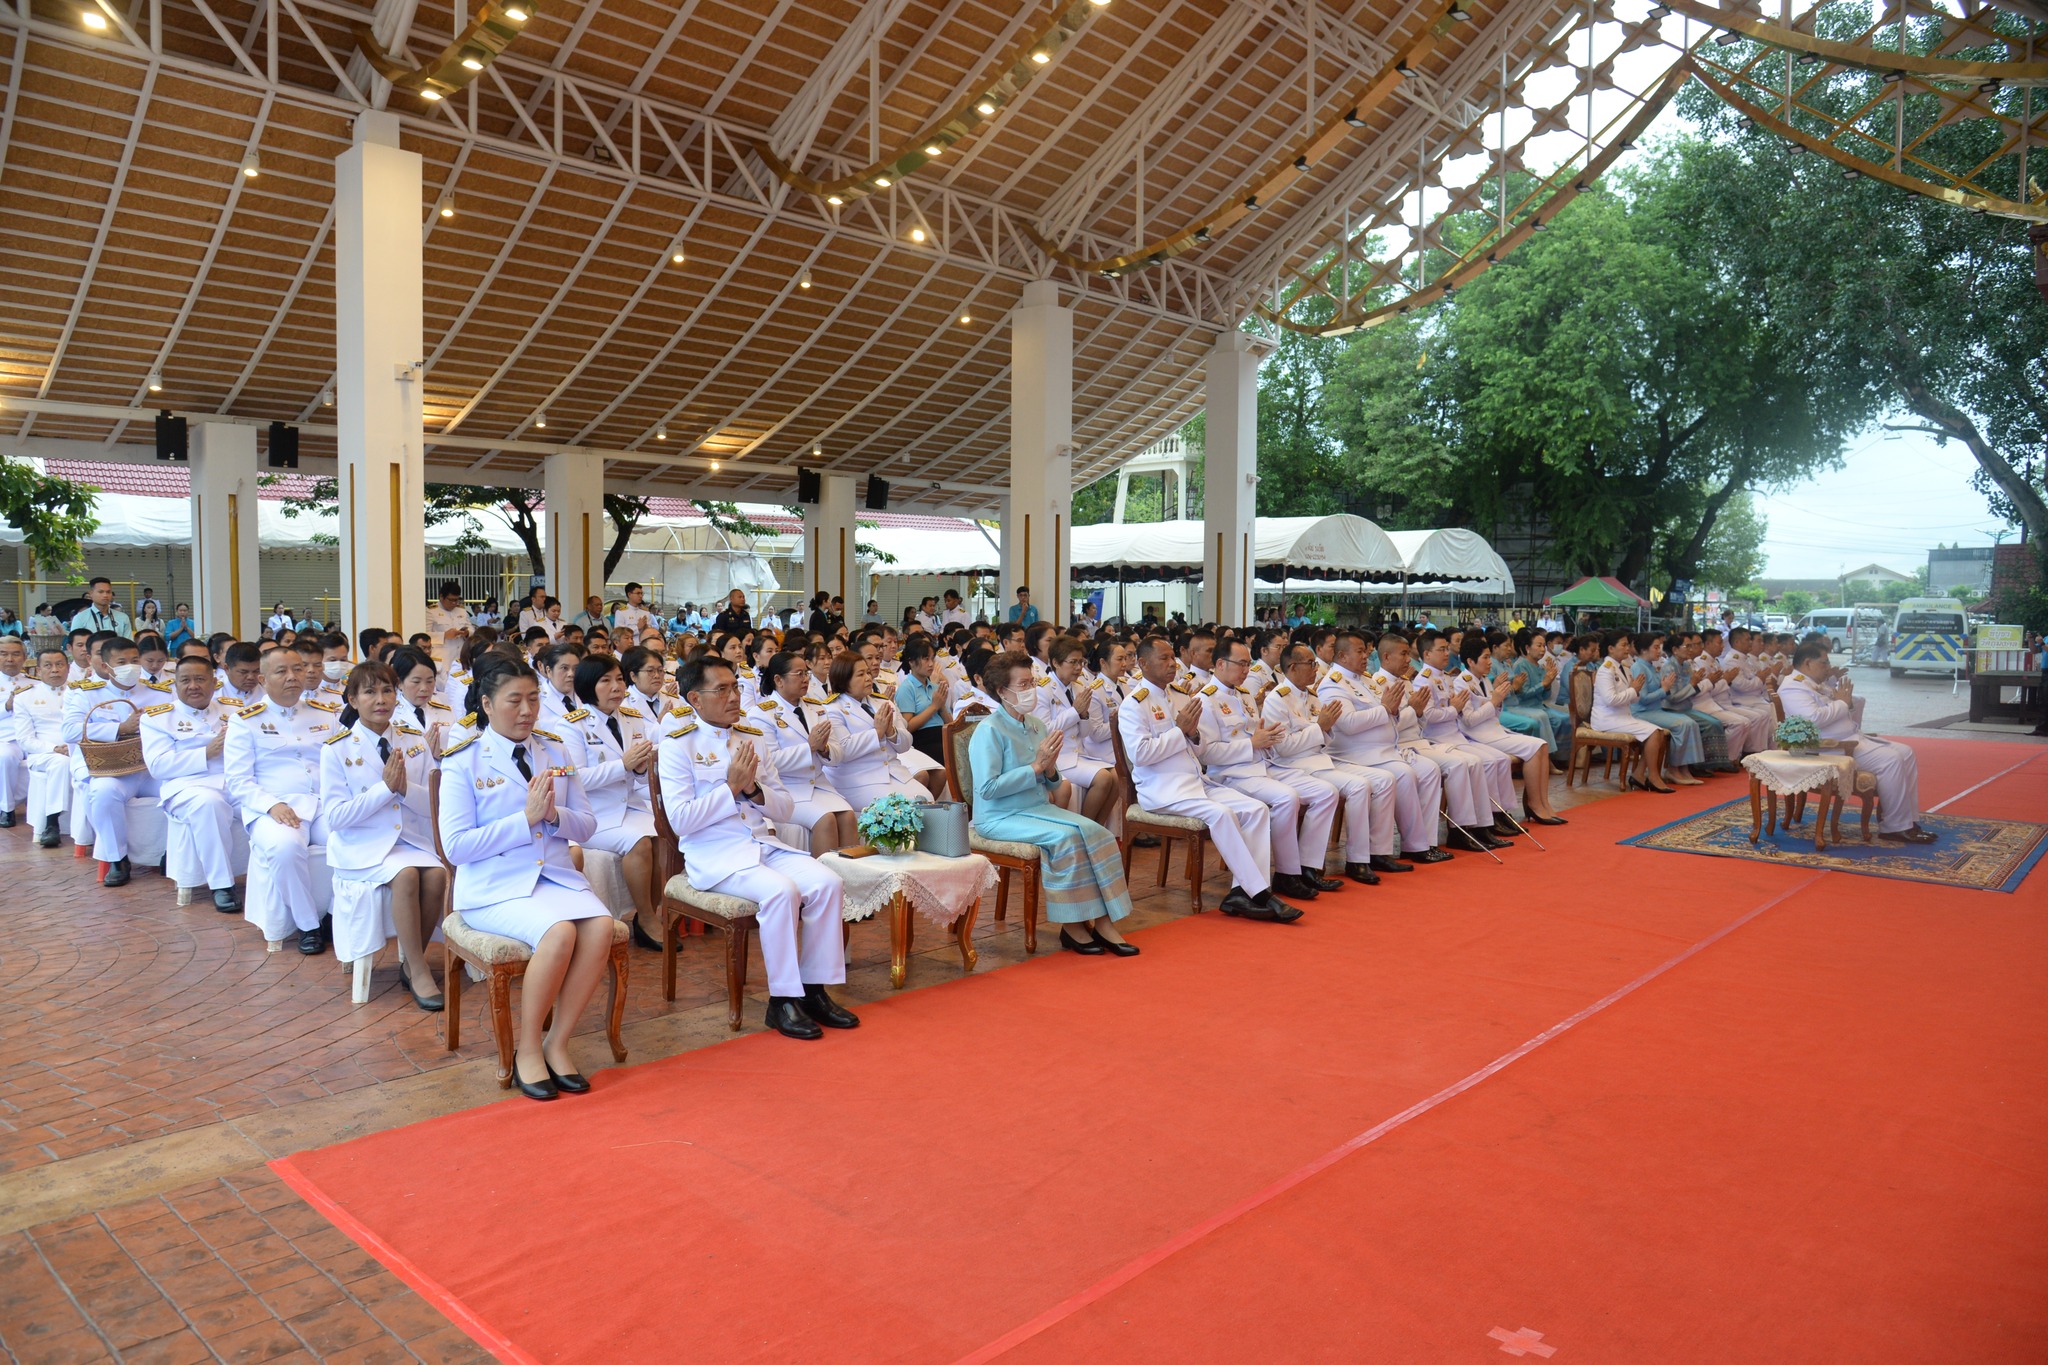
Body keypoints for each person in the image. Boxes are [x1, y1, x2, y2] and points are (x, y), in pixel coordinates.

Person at [438, 657, 618, 1098]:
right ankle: (527, 1049)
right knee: (558, 934)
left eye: (533, 699)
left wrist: (554, 816)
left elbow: (588, 825)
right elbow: (457, 846)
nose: (526, 710)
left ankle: (558, 1044)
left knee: (599, 928)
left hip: (554, 877)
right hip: (494, 887)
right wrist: (525, 820)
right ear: (486, 703)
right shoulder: (464, 761)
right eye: (514, 700)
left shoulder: (555, 749)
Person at [658, 655, 856, 1040]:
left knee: (827, 882)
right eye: (722, 690)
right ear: (695, 700)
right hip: (716, 856)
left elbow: (783, 807)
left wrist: (753, 789)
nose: (734, 696)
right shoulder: (677, 746)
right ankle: (781, 1000)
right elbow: (680, 821)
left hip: (762, 843)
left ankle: (814, 991)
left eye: (735, 686)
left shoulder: (751, 737)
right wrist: (729, 788)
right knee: (782, 892)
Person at [1117, 635, 1299, 922]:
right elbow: (1141, 755)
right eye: (1163, 659)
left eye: (1171, 658)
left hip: (1194, 783)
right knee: (1223, 814)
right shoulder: (1134, 704)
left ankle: (1241, 893)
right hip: (1163, 788)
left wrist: (1191, 733)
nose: (1171, 665)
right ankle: (1262, 894)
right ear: (1142, 664)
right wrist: (1179, 731)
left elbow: (1200, 749)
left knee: (1256, 809)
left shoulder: (1178, 695)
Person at [968, 651, 1137, 955]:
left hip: (1036, 809)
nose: (1031, 689)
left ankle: (1102, 921)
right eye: (1023, 684)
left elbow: (1053, 781)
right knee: (1068, 838)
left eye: (1032, 681)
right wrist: (1035, 767)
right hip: (999, 816)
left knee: (1099, 833)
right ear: (1001, 691)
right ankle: (1072, 926)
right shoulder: (988, 730)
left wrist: (1048, 769)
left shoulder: (1035, 724)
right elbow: (987, 789)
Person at [319, 662, 449, 1008]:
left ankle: (413, 959)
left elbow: (435, 806)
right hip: (362, 847)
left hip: (408, 841)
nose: (381, 699)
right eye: (370, 692)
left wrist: (404, 788)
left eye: (388, 690)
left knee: (436, 875)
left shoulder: (414, 743)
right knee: (406, 875)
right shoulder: (336, 749)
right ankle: (418, 970)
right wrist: (384, 790)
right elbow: (336, 817)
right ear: (352, 699)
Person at [1199, 637, 1344, 901]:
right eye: (1241, 664)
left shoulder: (1243, 695)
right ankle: (1287, 874)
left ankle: (1307, 867)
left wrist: (1266, 740)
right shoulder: (1206, 700)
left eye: (1248, 664)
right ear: (1220, 664)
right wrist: (1252, 744)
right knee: (1287, 797)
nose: (1246, 670)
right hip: (1231, 774)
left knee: (1326, 792)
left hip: (1262, 765)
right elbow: (1207, 753)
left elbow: (1259, 735)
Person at [225, 643, 342, 952]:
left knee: (350, 840)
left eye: (298, 669)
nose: (293, 677)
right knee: (285, 848)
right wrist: (271, 805)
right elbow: (237, 781)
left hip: (323, 804)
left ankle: (332, 913)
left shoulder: (326, 715)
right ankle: (308, 925)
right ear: (263, 678)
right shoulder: (244, 720)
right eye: (282, 671)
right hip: (274, 806)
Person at [1262, 642, 1405, 882]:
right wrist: (1320, 728)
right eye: (1310, 664)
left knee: (1383, 779)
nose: (1316, 668)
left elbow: (1329, 737)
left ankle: (1369, 855)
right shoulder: (1277, 699)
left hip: (1321, 760)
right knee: (1356, 787)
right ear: (1292, 667)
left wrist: (1323, 730)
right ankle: (1322, 865)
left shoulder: (1313, 696)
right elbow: (1284, 748)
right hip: (1295, 766)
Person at [1778, 638, 1934, 843]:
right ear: (1807, 663)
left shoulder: (1814, 684)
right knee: (1891, 759)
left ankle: (1909, 821)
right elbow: (1813, 719)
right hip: (1829, 747)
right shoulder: (1793, 687)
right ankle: (1895, 826)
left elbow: (1836, 708)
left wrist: (1845, 702)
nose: (1828, 667)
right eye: (1824, 663)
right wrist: (1842, 702)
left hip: (1848, 739)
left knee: (1906, 752)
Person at [1317, 631, 1451, 865]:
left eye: (1366, 651)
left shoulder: (1368, 680)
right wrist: (1386, 710)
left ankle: (1419, 845)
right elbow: (1347, 724)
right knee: (1401, 774)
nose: (1366, 655)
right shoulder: (1332, 684)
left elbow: (1392, 717)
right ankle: (1382, 851)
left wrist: (1405, 711)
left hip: (1384, 750)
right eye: (1360, 651)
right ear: (1342, 655)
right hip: (1354, 753)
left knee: (1427, 770)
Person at [563, 653, 662, 946]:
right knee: (640, 842)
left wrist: (642, 769)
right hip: (595, 813)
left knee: (667, 838)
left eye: (619, 679)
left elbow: (641, 778)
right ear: (588, 686)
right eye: (605, 680)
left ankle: (653, 913)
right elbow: (576, 778)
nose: (616, 686)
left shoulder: (633, 719)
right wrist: (624, 764)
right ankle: (644, 917)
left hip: (630, 804)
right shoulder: (571, 726)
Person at [138, 653, 241, 911]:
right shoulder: (157, 718)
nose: (193, 686)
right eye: (185, 680)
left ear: (214, 682)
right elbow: (158, 766)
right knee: (209, 804)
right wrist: (206, 753)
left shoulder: (235, 710)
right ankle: (221, 885)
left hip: (235, 782)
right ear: (175, 684)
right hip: (187, 787)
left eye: (199, 679)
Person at [64, 635, 158, 885]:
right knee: (103, 793)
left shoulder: (160, 693)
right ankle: (118, 859)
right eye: (122, 661)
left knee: (184, 791)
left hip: (151, 769)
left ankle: (169, 853)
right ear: (106, 667)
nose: (131, 666)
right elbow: (70, 731)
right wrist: (120, 728)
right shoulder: (88, 695)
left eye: (134, 660)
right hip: (111, 770)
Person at [1452, 635, 1566, 824]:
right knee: (1535, 747)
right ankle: (1535, 805)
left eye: (1489, 657)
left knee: (1542, 745)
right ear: (1471, 661)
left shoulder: (1485, 680)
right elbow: (1469, 721)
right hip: (1477, 735)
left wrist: (1496, 701)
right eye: (1485, 658)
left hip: (1494, 729)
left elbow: (1494, 713)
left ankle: (1542, 802)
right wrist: (1494, 701)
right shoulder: (1461, 682)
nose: (1489, 662)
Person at [813, 654, 931, 808]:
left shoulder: (882, 702)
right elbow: (843, 750)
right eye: (861, 674)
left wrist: (891, 731)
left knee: (927, 799)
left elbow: (905, 744)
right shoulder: (832, 709)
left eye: (868, 673)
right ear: (844, 679)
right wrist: (877, 733)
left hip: (893, 773)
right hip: (859, 778)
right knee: (898, 807)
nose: (868, 678)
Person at [1588, 630, 1676, 794]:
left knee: (1659, 733)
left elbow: (1633, 699)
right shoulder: (1606, 670)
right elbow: (1611, 700)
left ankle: (1639, 774)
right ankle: (1654, 777)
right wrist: (1633, 690)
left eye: (1628, 644)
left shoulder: (1625, 668)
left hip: (1622, 716)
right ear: (1610, 648)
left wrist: (1635, 691)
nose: (1627, 648)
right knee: (1654, 731)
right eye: (1623, 645)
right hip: (1606, 719)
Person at [19, 646, 74, 847]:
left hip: (77, 749)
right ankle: (52, 823)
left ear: (68, 668)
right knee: (60, 763)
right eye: (48, 665)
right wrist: (53, 748)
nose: (55, 670)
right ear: (38, 670)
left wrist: (73, 746)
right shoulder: (24, 697)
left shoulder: (79, 692)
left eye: (59, 664)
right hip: (42, 754)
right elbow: (24, 739)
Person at [892, 637, 950, 766]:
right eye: (925, 659)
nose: (931, 664)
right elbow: (908, 727)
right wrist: (934, 707)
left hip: (942, 736)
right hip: (923, 740)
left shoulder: (935, 687)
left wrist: (942, 708)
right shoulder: (907, 688)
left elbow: (950, 724)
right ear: (912, 662)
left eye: (932, 658)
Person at [0, 637, 32, 824]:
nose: (10, 659)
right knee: (5, 757)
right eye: (3, 654)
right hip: (5, 739)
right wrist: (7, 706)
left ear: (24, 657)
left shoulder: (34, 683)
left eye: (15, 654)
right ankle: (7, 808)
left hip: (31, 737)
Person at [423, 581, 471, 668]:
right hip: (442, 659)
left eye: (456, 600)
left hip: (460, 656)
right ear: (441, 597)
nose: (454, 603)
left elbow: (472, 630)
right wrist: (444, 635)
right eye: (451, 600)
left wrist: (467, 633)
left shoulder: (462, 611)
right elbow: (424, 636)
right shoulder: (430, 611)